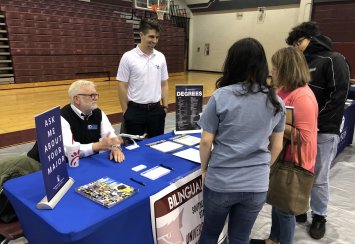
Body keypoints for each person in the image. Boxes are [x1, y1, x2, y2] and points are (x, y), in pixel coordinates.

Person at [198, 38, 285, 244]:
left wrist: (204, 169)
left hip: (221, 182)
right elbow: (278, 145)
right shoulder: (275, 101)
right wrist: (262, 167)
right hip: (256, 184)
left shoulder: (221, 96)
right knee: (240, 237)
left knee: (210, 235)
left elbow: (205, 141)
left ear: (232, 63)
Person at [285, 21, 350, 239]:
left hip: (323, 131)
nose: (295, 48)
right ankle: (301, 209)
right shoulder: (301, 63)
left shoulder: (334, 60)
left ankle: (320, 215)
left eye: (296, 43)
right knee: (300, 173)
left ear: (307, 39)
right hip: (300, 131)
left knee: (319, 177)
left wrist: (312, 123)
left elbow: (337, 98)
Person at [250, 47, 318, 244]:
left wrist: (277, 124)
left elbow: (304, 136)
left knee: (286, 210)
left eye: (276, 68)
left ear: (287, 69)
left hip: (295, 162)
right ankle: (274, 239)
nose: (272, 72)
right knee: (277, 203)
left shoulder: (303, 96)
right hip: (281, 157)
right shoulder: (283, 89)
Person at [27, 79, 125, 163]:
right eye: (91, 95)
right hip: (39, 166)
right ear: (77, 99)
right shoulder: (61, 117)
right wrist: (98, 146)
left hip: (78, 162)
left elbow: (109, 135)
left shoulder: (98, 113)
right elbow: (69, 151)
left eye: (96, 95)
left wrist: (115, 147)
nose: (95, 99)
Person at [117, 19, 169, 138]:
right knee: (134, 148)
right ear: (141, 35)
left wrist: (165, 107)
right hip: (135, 110)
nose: (154, 40)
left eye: (157, 37)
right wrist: (126, 111)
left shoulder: (160, 57)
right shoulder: (128, 57)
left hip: (156, 111)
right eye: (151, 36)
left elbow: (164, 83)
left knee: (156, 145)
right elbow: (122, 85)